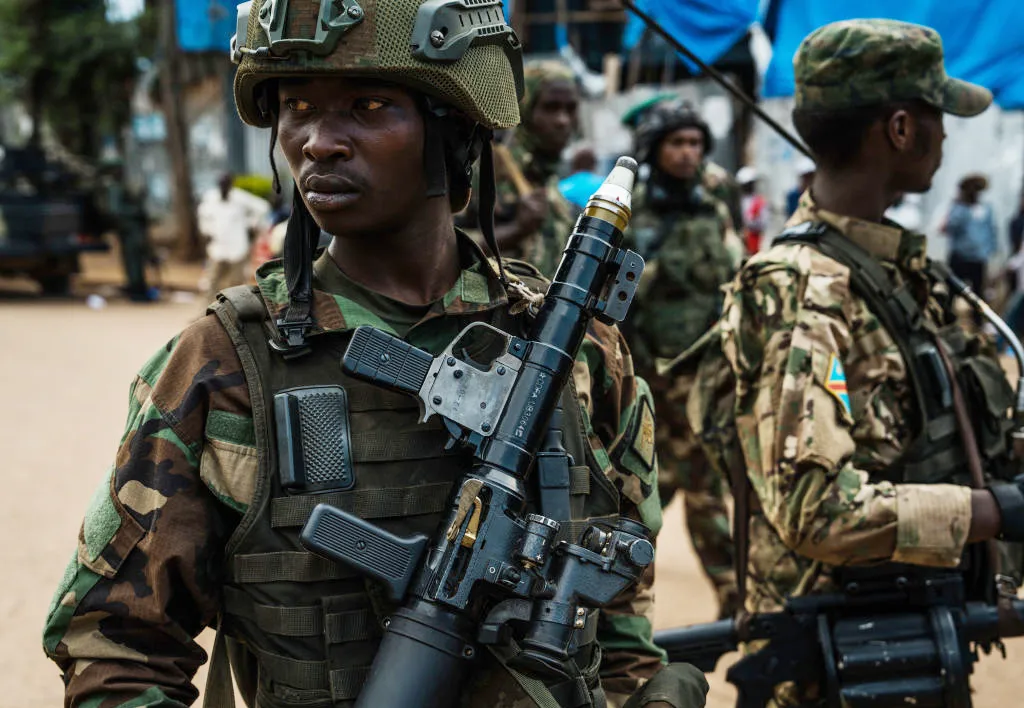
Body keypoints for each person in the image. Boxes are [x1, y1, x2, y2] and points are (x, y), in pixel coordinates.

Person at [41, 1, 708, 706]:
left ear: (452, 131)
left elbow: (618, 633)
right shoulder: (225, 363)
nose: (318, 141)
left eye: (368, 105)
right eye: (297, 106)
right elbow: (115, 647)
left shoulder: (577, 351)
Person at [677, 19, 1024, 705]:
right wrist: (999, 511)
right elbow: (816, 511)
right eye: (936, 116)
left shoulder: (895, 271)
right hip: (835, 670)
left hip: (910, 640)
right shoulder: (801, 291)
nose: (946, 135)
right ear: (899, 129)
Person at [624, 98, 739, 620]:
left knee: (687, 483)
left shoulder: (714, 210)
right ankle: (615, 596)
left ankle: (733, 598)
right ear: (654, 149)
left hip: (707, 377)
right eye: (677, 143)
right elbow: (620, 305)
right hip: (651, 378)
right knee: (661, 485)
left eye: (695, 143)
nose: (688, 153)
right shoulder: (635, 214)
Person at [458, 59, 579, 277]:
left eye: (570, 109)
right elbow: (441, 246)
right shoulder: (486, 169)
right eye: (550, 107)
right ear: (526, 109)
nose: (563, 120)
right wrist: (516, 230)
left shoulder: (547, 176)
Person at [197, 172, 270, 303]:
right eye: (221, 185)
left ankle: (234, 312)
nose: (223, 188)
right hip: (218, 247)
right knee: (212, 281)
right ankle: (205, 312)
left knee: (236, 283)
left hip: (237, 247)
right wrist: (206, 230)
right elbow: (203, 215)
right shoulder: (211, 197)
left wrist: (251, 223)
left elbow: (263, 207)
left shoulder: (240, 197)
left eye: (226, 185)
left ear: (230, 185)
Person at [942, 173, 997, 297]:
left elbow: (991, 230)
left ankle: (977, 316)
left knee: (978, 293)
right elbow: (950, 227)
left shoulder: (986, 209)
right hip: (959, 257)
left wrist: (990, 250)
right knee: (952, 291)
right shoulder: (958, 208)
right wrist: (963, 209)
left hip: (978, 258)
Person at [736, 165, 768, 255]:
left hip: (754, 244)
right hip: (739, 244)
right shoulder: (738, 201)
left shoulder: (759, 201)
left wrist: (749, 223)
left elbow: (762, 223)